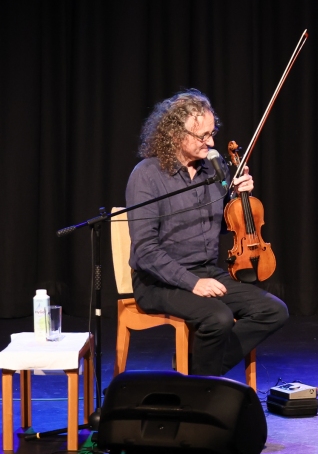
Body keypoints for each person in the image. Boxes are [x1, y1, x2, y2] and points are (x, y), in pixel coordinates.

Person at [124, 89, 289, 376]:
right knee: (218, 317)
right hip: (157, 282)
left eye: (212, 134)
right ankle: (203, 380)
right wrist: (192, 283)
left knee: (273, 311)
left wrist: (239, 200)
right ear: (175, 134)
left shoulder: (215, 169)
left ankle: (198, 371)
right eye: (203, 136)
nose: (211, 142)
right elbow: (146, 250)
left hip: (207, 271)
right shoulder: (147, 174)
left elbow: (224, 224)